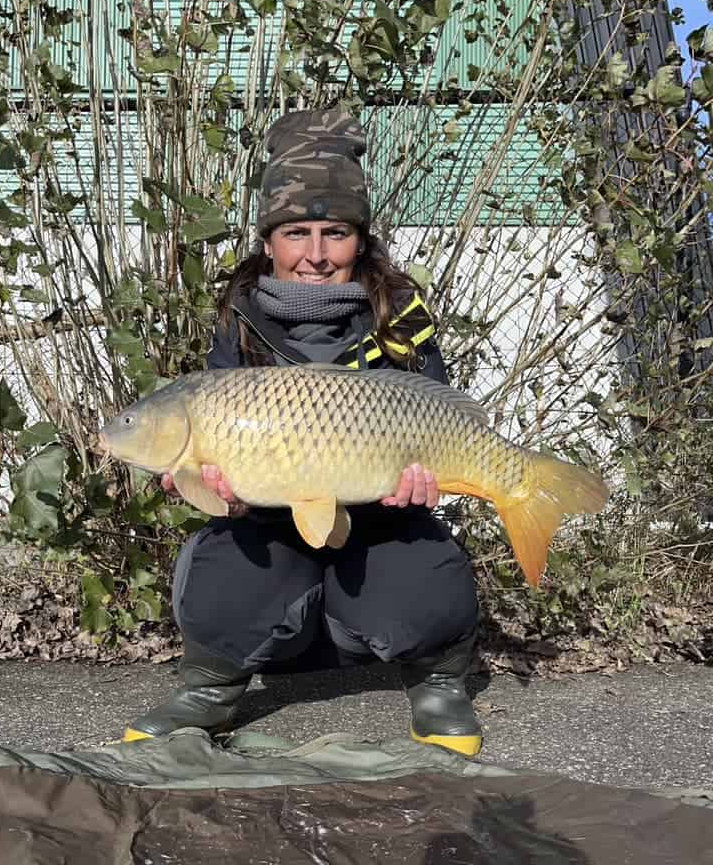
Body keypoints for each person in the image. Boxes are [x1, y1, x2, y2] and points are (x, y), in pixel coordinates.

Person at [123, 108, 483, 756]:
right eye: (295, 232)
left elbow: (441, 410)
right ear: (268, 240)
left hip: (379, 522)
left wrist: (429, 481)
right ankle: (209, 688)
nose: (314, 256)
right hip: (274, 533)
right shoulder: (238, 316)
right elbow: (216, 460)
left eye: (335, 233)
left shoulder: (403, 316)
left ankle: (438, 679)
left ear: (360, 240)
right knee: (215, 563)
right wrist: (221, 491)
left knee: (429, 573)